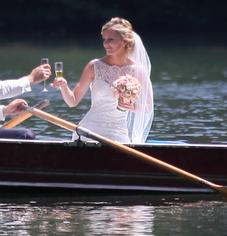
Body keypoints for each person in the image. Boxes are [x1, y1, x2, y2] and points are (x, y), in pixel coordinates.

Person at [54, 16, 155, 144]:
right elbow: (72, 101)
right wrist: (63, 86)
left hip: (119, 135)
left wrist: (132, 106)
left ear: (124, 41)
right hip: (89, 133)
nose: (106, 44)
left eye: (111, 39)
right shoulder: (94, 66)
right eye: (104, 40)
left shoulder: (138, 70)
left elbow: (148, 107)